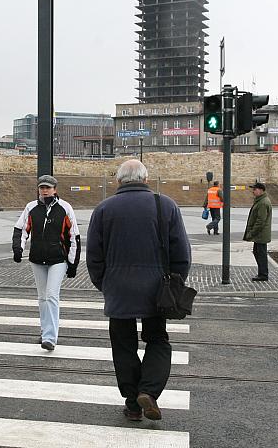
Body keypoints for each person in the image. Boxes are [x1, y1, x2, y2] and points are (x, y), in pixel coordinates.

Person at [87, 160, 191, 422]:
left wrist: (105, 284)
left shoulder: (103, 209)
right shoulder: (165, 205)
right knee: (158, 340)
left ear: (119, 180)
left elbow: (94, 257)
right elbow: (182, 252)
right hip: (157, 288)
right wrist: (175, 283)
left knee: (123, 346)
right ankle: (149, 390)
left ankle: (133, 404)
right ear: (146, 179)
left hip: (118, 287)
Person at [12, 175, 81, 352]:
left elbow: (74, 236)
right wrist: (18, 249)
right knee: (42, 298)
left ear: (55, 189)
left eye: (48, 188)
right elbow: (21, 229)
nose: (45, 190)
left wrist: (72, 264)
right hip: (37, 259)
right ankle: (45, 332)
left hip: (58, 259)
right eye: (42, 187)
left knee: (51, 295)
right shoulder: (31, 207)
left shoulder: (65, 208)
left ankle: (50, 337)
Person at [244, 182, 273, 282]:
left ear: (261, 190)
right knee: (258, 252)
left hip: (261, 234)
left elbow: (261, 221)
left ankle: (263, 274)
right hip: (260, 234)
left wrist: (252, 232)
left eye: (255, 189)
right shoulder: (260, 201)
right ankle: (262, 273)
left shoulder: (263, 202)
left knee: (261, 254)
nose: (253, 191)